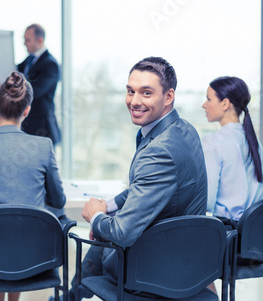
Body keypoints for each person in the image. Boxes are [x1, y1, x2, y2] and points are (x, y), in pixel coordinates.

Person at [59, 57, 207, 300]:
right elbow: (149, 187)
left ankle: (71, 296)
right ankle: (72, 296)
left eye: (146, 93)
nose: (134, 101)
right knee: (107, 221)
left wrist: (95, 217)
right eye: (130, 91)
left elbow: (122, 233)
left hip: (155, 268)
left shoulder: (159, 151)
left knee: (100, 236)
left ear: (168, 97)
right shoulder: (184, 130)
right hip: (190, 257)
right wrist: (109, 206)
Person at [0, 71, 66, 301]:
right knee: (17, 235)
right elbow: (59, 201)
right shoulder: (43, 146)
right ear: (27, 111)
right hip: (33, 256)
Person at [202, 76, 263, 221]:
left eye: (209, 99)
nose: (204, 105)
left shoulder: (212, 142)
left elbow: (207, 202)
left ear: (225, 104)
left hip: (228, 235)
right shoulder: (254, 142)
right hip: (257, 233)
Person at [17, 23, 61, 145]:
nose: (24, 43)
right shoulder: (28, 61)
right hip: (28, 127)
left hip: (42, 129)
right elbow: (13, 69)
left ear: (40, 40)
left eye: (27, 40)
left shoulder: (50, 64)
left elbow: (35, 91)